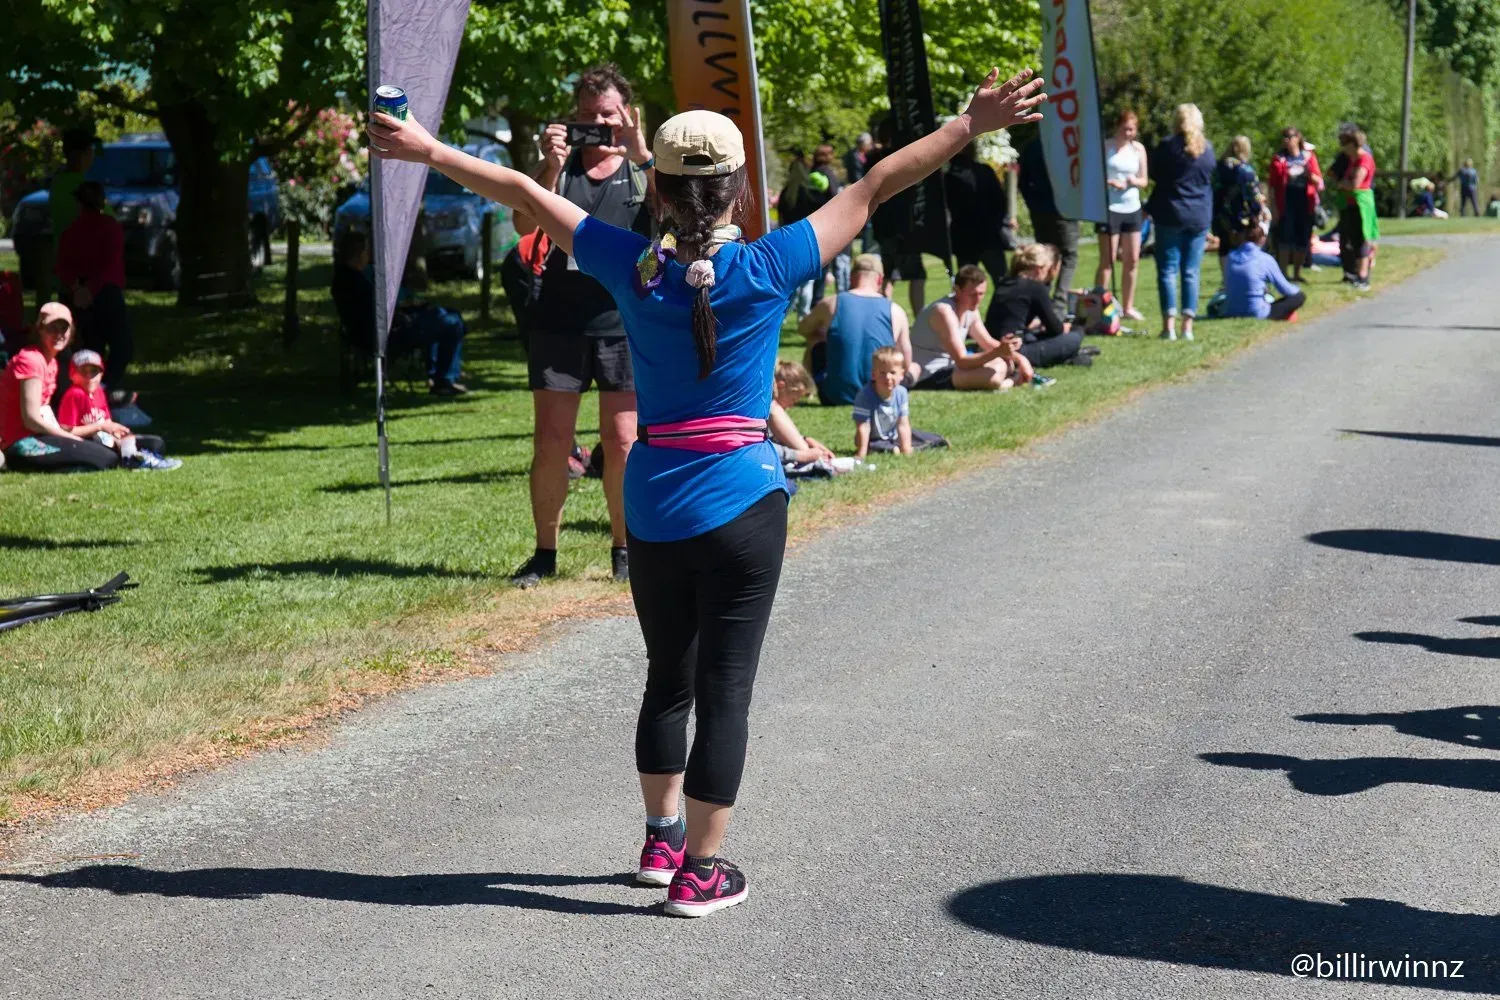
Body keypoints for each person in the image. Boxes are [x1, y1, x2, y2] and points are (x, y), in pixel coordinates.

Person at [367, 63, 1046, 918]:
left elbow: (520, 192)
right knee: (725, 691)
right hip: (742, 502)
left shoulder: (627, 265)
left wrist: (423, 146)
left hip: (652, 499)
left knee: (667, 678)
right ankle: (700, 873)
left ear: (654, 188)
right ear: (738, 190)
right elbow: (878, 182)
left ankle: (660, 844)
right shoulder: (772, 263)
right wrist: (969, 122)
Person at [511, 64, 655, 588]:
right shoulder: (563, 167)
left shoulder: (643, 168)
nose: (600, 123)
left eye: (609, 114)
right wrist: (547, 167)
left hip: (624, 320)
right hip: (559, 320)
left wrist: (641, 150)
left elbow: (677, 212)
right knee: (551, 441)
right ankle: (544, 553)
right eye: (590, 116)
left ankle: (624, 549)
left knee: (622, 442)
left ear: (626, 114)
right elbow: (524, 225)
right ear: (575, 118)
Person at [330, 230, 468, 393]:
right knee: (451, 322)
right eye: (366, 251)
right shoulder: (357, 283)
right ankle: (444, 378)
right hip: (389, 336)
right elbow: (379, 309)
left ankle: (440, 373)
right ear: (358, 254)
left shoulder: (344, 279)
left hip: (372, 333)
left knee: (447, 314)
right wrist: (405, 308)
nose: (369, 255)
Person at [0, 303, 119, 472]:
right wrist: (70, 438)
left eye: (64, 329)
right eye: (51, 328)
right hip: (21, 442)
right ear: (39, 330)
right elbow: (31, 420)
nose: (58, 334)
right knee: (104, 459)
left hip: (41, 436)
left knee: (108, 454)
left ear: (71, 334)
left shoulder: (51, 362)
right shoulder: (31, 360)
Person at [799, 253, 914, 404]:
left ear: (851, 277)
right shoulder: (896, 311)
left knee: (815, 338)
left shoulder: (831, 303)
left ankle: (808, 389)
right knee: (915, 367)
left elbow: (803, 329)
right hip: (883, 392)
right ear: (879, 279)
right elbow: (906, 358)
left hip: (835, 396)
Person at [55, 181, 133, 398]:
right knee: (122, 344)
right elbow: (110, 263)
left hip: (79, 295)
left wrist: (77, 289)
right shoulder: (110, 227)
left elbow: (62, 265)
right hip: (105, 292)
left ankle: (87, 388)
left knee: (90, 345)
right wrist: (91, 288)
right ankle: (104, 386)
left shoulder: (71, 230)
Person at [1146, 103, 1217, 341]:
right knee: (1191, 271)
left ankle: (1169, 326)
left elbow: (1154, 174)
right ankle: (1188, 327)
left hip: (1171, 213)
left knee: (1167, 269)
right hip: (1199, 215)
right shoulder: (1207, 149)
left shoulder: (1168, 147)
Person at [910, 264, 1029, 390]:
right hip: (930, 373)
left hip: (952, 367)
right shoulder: (943, 312)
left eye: (981, 294)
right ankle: (1011, 381)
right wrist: (998, 352)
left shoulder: (970, 310)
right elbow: (962, 360)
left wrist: (1020, 359)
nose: (977, 300)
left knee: (1004, 363)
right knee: (992, 376)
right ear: (956, 290)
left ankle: (1008, 379)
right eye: (972, 295)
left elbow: (987, 343)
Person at [56, 348, 178, 469]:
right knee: (110, 456)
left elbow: (106, 421)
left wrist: (117, 430)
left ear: (101, 374)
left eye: (93, 371)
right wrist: (100, 427)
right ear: (72, 374)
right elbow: (66, 431)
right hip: (84, 441)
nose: (89, 377)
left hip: (103, 438)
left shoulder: (99, 391)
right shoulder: (74, 394)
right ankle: (133, 460)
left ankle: (136, 457)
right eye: (83, 371)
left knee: (156, 443)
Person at [986, 244, 1086, 368]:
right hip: (1015, 351)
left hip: (992, 346)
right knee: (1075, 335)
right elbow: (1056, 330)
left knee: (1034, 335)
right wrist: (1066, 327)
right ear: (1039, 269)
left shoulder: (1005, 282)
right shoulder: (1036, 288)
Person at [868, 120, 928, 316]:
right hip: (903, 225)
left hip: (885, 225)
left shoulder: (873, 158)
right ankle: (918, 316)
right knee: (914, 275)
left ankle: (886, 317)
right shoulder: (899, 158)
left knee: (889, 275)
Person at [1017, 130, 1079, 313]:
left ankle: (1039, 301)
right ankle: (1058, 305)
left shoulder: (1032, 146)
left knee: (1043, 256)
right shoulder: (1066, 146)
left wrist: (1033, 204)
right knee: (1068, 255)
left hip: (1040, 210)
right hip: (1063, 209)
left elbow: (1023, 182)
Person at [1095, 110, 1148, 320]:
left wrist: (1133, 181)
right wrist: (1110, 183)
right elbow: (1094, 176)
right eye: (1126, 128)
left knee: (1132, 259)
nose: (1129, 133)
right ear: (1118, 126)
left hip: (1132, 207)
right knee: (1107, 260)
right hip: (1109, 208)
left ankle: (1128, 306)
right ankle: (1100, 306)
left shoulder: (1138, 149)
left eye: (1133, 129)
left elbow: (1144, 179)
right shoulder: (1106, 147)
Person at [853, 346, 946, 457]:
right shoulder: (865, 395)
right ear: (873, 375)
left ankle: (935, 441)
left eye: (892, 372)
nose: (887, 377)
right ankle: (884, 449)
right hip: (873, 438)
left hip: (894, 436)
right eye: (882, 373)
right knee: (883, 447)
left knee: (923, 437)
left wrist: (906, 448)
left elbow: (903, 424)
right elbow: (863, 427)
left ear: (901, 375)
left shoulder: (901, 393)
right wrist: (861, 453)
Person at [945, 142, 1010, 285]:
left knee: (967, 281)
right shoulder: (984, 171)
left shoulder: (948, 179)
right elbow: (1000, 201)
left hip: (963, 235)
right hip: (989, 232)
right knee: (1001, 279)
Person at [1267, 127, 1323, 281]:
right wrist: (1273, 208)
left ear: (1297, 138)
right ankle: (1283, 273)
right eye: (1283, 137)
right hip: (1286, 203)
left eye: (1289, 137)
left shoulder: (1308, 157)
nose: (1286, 140)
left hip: (1305, 203)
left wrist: (1308, 174)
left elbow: (1319, 181)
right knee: (1285, 238)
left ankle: (1297, 273)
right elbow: (1272, 185)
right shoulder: (1278, 159)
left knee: (1302, 238)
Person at [1221, 225, 1306, 321]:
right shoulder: (1265, 258)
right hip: (1256, 312)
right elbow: (1285, 289)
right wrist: (1296, 287)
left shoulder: (1230, 257)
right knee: (1299, 296)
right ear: (1262, 239)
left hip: (1230, 311)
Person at [1212, 136, 1266, 279]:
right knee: (1243, 247)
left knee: (1225, 247)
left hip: (1221, 214)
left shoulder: (1218, 167)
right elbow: (1253, 195)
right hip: (1241, 216)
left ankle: (1226, 281)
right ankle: (1242, 278)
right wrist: (1257, 212)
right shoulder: (1246, 170)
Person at [807, 145, 851, 307]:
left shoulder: (810, 173)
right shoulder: (826, 172)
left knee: (821, 266)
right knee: (840, 266)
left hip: (816, 223)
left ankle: (815, 302)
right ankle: (845, 301)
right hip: (832, 223)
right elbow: (834, 195)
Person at [1335, 126, 1378, 291]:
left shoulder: (1363, 159)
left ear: (1353, 144)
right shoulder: (1353, 160)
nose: (1343, 148)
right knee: (1351, 239)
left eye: (1345, 144)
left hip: (1361, 205)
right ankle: (1356, 275)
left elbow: (1355, 184)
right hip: (1350, 204)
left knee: (1361, 240)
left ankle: (1363, 277)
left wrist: (1341, 184)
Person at [769, 360, 835, 465]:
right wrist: (803, 454)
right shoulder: (772, 409)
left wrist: (805, 439)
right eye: (794, 399)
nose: (792, 405)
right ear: (781, 386)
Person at [844, 132, 876, 252]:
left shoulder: (865, 154)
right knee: (865, 223)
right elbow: (856, 176)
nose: (871, 146)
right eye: (869, 144)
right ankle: (865, 249)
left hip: (867, 190)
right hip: (861, 191)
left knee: (868, 224)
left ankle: (868, 248)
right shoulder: (854, 156)